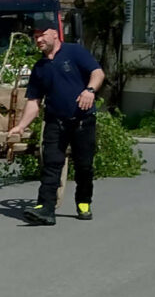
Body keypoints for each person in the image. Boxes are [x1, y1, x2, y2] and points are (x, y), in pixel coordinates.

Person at [6, 21, 105, 226]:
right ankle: (45, 209)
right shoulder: (40, 67)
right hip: (55, 122)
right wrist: (21, 126)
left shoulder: (74, 52)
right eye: (36, 37)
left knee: (84, 166)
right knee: (51, 164)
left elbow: (98, 73)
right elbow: (34, 102)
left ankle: (84, 202)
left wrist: (90, 91)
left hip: (82, 121)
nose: (39, 40)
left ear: (54, 34)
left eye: (42, 35)